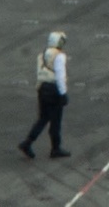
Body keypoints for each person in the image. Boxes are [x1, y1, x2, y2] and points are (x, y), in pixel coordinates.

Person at [19, 29, 71, 160]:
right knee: (56, 121)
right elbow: (60, 76)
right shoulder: (59, 56)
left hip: (42, 88)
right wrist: (63, 93)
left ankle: (28, 142)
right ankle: (55, 148)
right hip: (54, 90)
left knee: (43, 118)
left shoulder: (42, 54)